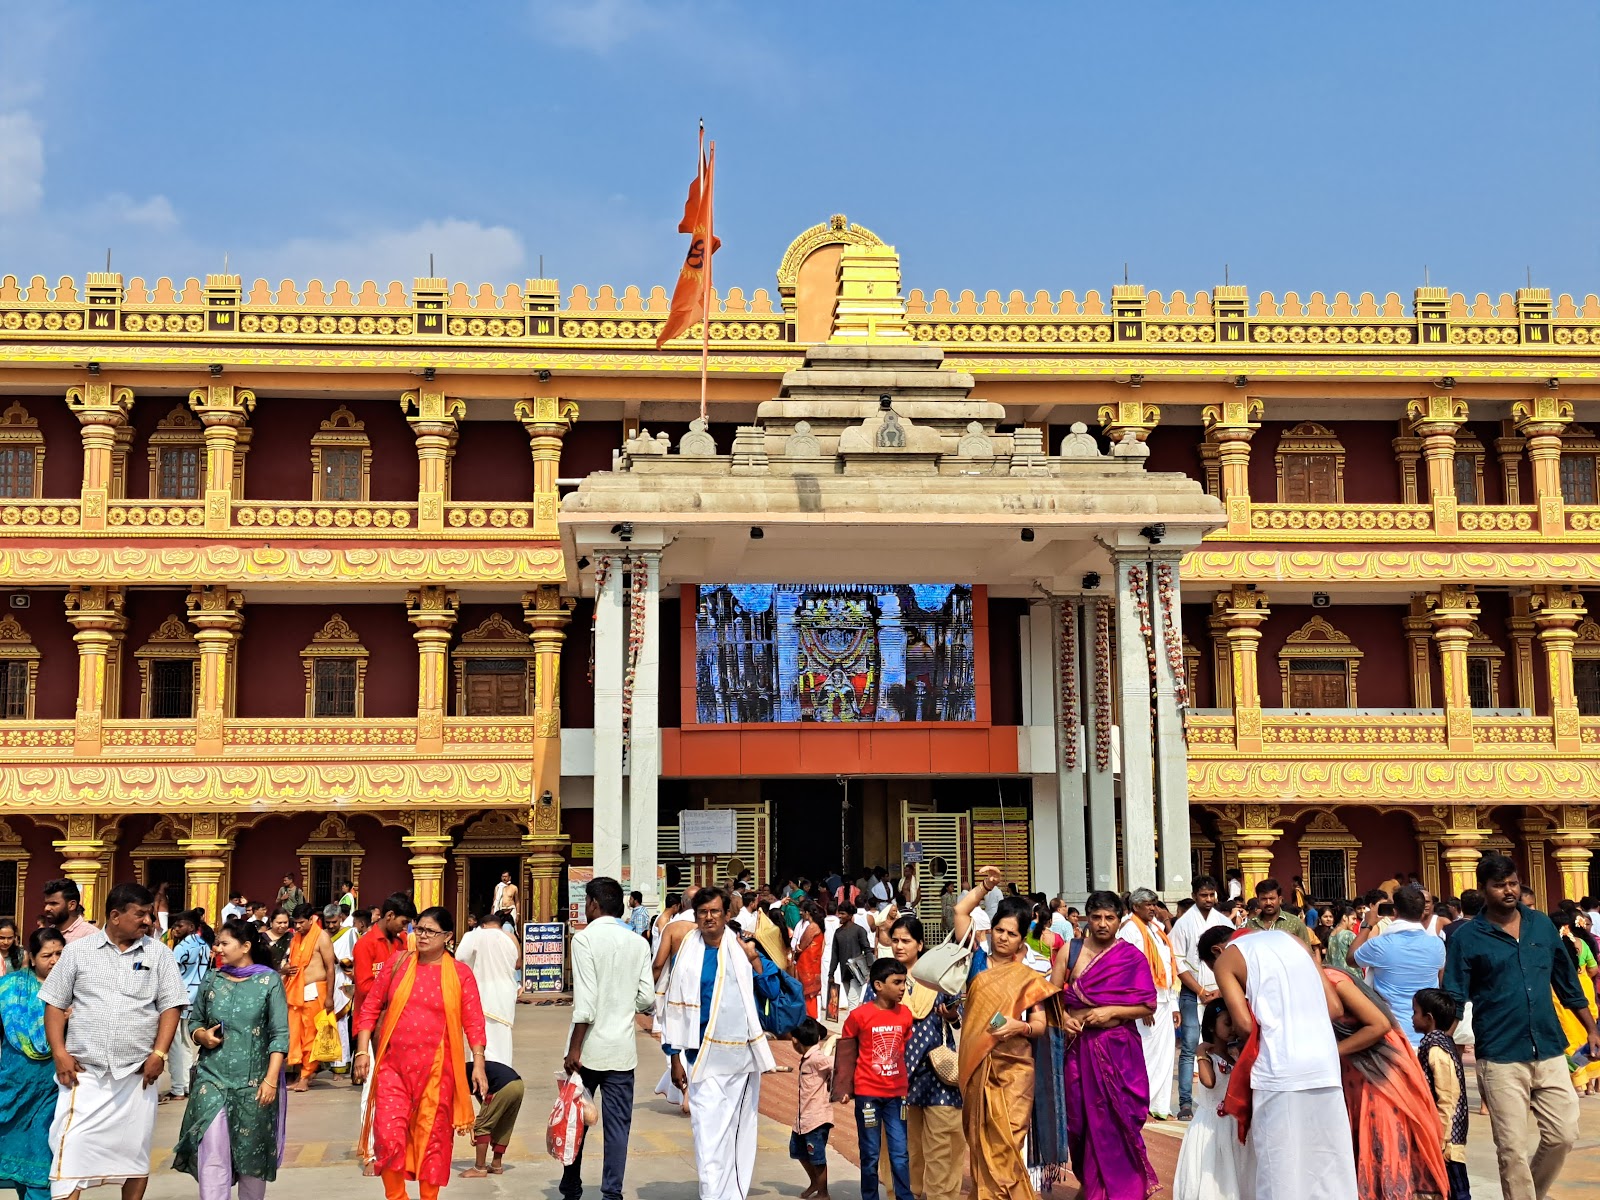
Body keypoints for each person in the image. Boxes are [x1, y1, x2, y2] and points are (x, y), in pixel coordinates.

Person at [1443, 853, 1598, 1200]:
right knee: (1511, 1149)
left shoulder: (1541, 925)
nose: (1509, 890)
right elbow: (1454, 994)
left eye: (1512, 883)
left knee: (1563, 1135)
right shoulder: (1468, 938)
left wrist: (1591, 1027)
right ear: (1484, 889)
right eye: (1499, 885)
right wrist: (1442, 1039)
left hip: (1548, 1047)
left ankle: (1533, 1193)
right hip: (1500, 1054)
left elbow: (1566, 982)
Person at [42, 881, 187, 1200]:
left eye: (150, 915)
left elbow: (171, 1006)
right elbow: (53, 1003)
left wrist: (159, 1054)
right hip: (84, 1075)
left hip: (136, 1076)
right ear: (115, 915)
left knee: (134, 1157)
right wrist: (59, 1053)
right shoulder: (78, 952)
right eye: (141, 915)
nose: (148, 922)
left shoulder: (159, 954)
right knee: (70, 1153)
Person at [1202, 924, 1357, 1200]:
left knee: (1279, 1173)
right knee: (1330, 1168)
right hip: (1324, 1065)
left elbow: (1246, 1026)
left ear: (1217, 951)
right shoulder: (1295, 940)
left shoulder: (1226, 959)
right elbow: (1334, 1008)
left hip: (1278, 1069)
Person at [355, 906, 487, 1200]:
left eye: (430, 931)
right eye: (418, 929)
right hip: (393, 1067)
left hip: (438, 1071)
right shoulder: (398, 963)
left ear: (448, 936)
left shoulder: (460, 974)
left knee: (433, 1143)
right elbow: (371, 1006)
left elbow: (474, 1022)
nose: (422, 936)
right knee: (388, 1137)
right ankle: (397, 1196)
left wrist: (478, 1064)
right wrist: (362, 1051)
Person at [662, 888, 782, 1200]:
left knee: (734, 1130)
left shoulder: (741, 949)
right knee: (707, 1133)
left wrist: (753, 955)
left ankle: (729, 1193)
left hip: (738, 1058)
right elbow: (672, 1005)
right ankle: (713, 1193)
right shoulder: (687, 950)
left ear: (726, 915)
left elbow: (772, 989)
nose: (709, 917)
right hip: (697, 1054)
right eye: (703, 912)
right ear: (696, 915)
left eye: (715, 911)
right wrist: (673, 1056)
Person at [1039, 890, 1158, 1200]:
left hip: (1118, 1049)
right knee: (1078, 1122)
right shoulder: (1071, 951)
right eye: (1096, 917)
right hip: (1077, 1049)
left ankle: (1119, 1189)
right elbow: (1050, 996)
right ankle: (1090, 1182)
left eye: (1110, 918)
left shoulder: (1131, 956)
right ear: (1085, 919)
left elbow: (1148, 1004)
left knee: (1118, 1120)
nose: (1103, 924)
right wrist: (1062, 1018)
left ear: (1120, 920)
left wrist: (1113, 1011)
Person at [952, 870, 1056, 1200]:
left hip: (1015, 1068)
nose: (1003, 938)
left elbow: (1039, 1025)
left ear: (1022, 938)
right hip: (976, 1063)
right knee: (980, 1141)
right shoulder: (977, 958)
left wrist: (1018, 1027)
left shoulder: (1030, 974)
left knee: (1008, 1142)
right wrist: (986, 886)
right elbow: (960, 912)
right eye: (998, 930)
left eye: (1011, 934)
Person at [170, 919, 289, 1200]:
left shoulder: (268, 981)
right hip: (212, 1078)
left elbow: (279, 1034)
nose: (218, 948)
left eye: (224, 943)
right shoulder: (212, 979)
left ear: (245, 946)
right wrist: (202, 1036)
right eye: (218, 943)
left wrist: (271, 1081)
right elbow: (195, 1019)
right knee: (212, 1151)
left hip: (254, 1083)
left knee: (251, 1156)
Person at [1318, 951, 1448, 1200]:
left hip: (1379, 1077)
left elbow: (1378, 1024)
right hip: (1355, 1075)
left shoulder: (1331, 980)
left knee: (1384, 1146)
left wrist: (1330, 1053)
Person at [561, 877, 654, 1200]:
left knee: (576, 1120)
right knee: (618, 1127)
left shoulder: (584, 941)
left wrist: (573, 1047)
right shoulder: (638, 943)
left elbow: (585, 1003)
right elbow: (646, 999)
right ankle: (611, 1192)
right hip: (621, 1050)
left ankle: (571, 1183)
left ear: (594, 904)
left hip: (586, 1050)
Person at [876, 915, 961, 1200]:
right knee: (905, 1148)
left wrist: (952, 1014)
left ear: (920, 944)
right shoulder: (883, 978)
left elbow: (957, 1011)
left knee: (942, 1146)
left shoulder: (937, 977)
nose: (899, 946)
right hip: (898, 1075)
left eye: (906, 941)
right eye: (895, 940)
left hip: (938, 1072)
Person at [837, 958, 914, 1200]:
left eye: (904, 982)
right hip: (868, 1095)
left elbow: (904, 1047)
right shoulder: (859, 1016)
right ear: (878, 985)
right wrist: (844, 1088)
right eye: (897, 982)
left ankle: (904, 1196)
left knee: (900, 1151)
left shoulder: (905, 1015)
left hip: (897, 1095)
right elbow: (847, 1052)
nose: (902, 988)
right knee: (870, 1152)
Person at [0, 927, 65, 1200]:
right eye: (47, 955)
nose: (54, 961)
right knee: (15, 1155)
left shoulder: (74, 990)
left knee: (42, 1147)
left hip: (52, 1084)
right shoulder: (9, 987)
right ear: (32, 957)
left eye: (60, 953)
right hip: (14, 1083)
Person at [1170, 875, 1234, 1122]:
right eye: (1203, 895)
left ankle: (1227, 1096)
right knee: (1189, 1046)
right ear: (1194, 895)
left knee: (1226, 1043)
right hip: (1192, 992)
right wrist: (1199, 990)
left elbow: (1232, 958)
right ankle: (1185, 1103)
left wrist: (1221, 990)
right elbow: (1177, 962)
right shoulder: (1184, 924)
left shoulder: (1222, 922)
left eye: (1212, 895)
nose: (1208, 899)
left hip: (1222, 990)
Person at [1351, 883, 1446, 1046]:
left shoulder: (1380, 945)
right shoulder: (1437, 945)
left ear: (1394, 910)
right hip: (1427, 1035)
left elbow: (1351, 958)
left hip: (1393, 1035)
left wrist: (1367, 925)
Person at [1172, 998, 1246, 1200]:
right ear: (1212, 1026)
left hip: (1230, 1124)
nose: (1232, 1029)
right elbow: (1208, 1081)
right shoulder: (1208, 1056)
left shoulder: (1234, 1056)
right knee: (1210, 1172)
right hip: (1210, 1126)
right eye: (1227, 1023)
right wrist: (1200, 1053)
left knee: (1230, 1172)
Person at [1118, 886, 1180, 1120]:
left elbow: (1167, 966)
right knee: (1147, 1054)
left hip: (1164, 998)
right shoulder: (1130, 930)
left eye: (1155, 904)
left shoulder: (1156, 929)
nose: (1153, 909)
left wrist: (1173, 1004)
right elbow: (1129, 968)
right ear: (1135, 907)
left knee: (1165, 1056)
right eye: (1148, 905)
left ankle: (1160, 1106)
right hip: (1145, 1001)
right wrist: (1141, 1001)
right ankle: (1141, 1105)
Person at [1413, 988, 1470, 1200]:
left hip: (1448, 1145)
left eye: (1415, 1012)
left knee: (1456, 1192)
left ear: (1428, 1018)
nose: (1412, 1017)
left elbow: (1449, 1097)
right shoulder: (1435, 1044)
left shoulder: (1437, 1049)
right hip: (1441, 1139)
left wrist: (1441, 1138)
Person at [281, 904, 334, 1092]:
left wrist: (330, 997)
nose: (298, 927)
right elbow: (290, 964)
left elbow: (330, 968)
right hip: (297, 991)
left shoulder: (322, 937)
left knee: (311, 1035)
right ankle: (301, 1074)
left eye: (301, 923)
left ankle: (305, 1076)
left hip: (315, 990)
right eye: (295, 923)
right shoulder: (295, 938)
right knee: (296, 1034)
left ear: (312, 919)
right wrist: (285, 970)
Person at [455, 912, 518, 1068]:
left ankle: (483, 1078)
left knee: (483, 1041)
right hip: (506, 995)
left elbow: (460, 958)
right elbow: (518, 963)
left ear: (482, 926)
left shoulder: (475, 935)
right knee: (502, 1041)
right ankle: (504, 1078)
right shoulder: (510, 938)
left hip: (483, 994)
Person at [165, 910, 211, 1103]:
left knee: (176, 1045)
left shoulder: (181, 948)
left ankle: (178, 1088)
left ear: (191, 927)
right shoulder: (205, 946)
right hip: (197, 998)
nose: (175, 929)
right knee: (185, 1044)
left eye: (179, 925)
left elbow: (169, 973)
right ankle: (184, 1085)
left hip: (180, 998)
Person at [789, 1018, 832, 1200]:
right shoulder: (809, 1058)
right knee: (797, 1150)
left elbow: (834, 1063)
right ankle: (815, 1182)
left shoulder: (817, 1058)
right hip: (803, 1119)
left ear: (795, 1040)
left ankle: (823, 1193)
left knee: (817, 1157)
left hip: (816, 1118)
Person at [461, 1060, 522, 1179]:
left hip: (502, 1086)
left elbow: (463, 1105)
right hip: (517, 1084)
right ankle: (496, 1165)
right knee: (503, 1125)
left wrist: (474, 1127)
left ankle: (479, 1168)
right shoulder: (467, 1069)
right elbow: (483, 1100)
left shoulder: (457, 1076)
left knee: (482, 1126)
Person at [328, 905, 359, 1075]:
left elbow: (357, 957)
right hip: (326, 981)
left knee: (340, 1021)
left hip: (344, 980)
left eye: (333, 922)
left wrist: (338, 960)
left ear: (340, 917)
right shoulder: (323, 936)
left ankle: (342, 1060)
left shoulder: (350, 933)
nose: (331, 926)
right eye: (328, 923)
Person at [830, 902, 872, 1017]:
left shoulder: (859, 930)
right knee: (851, 1000)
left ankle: (850, 1028)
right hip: (844, 972)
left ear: (850, 915)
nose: (839, 916)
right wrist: (831, 974)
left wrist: (870, 968)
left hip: (857, 972)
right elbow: (834, 955)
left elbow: (867, 949)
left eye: (842, 914)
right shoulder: (838, 932)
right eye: (839, 913)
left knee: (852, 1001)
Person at [1246, 879, 1313, 946]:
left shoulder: (1295, 923)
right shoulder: (1250, 925)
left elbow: (1307, 952)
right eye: (1264, 899)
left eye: (1272, 898)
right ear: (1258, 901)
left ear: (1280, 900)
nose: (1268, 903)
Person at [793, 901, 825, 1019]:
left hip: (808, 963)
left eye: (802, 911)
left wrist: (797, 949)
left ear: (807, 913)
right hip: (813, 962)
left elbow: (802, 946)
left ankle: (810, 1017)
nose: (801, 913)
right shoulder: (817, 925)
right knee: (810, 994)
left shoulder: (812, 927)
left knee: (807, 993)